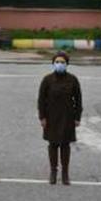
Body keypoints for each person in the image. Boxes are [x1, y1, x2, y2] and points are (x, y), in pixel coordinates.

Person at [38, 52, 83, 185]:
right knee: (52, 144)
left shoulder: (73, 79)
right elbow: (41, 100)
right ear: (53, 63)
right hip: (51, 116)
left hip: (67, 116)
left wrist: (77, 117)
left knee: (65, 144)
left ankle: (65, 173)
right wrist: (42, 117)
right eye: (57, 62)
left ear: (67, 64)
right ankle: (53, 171)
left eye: (62, 62)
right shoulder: (47, 80)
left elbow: (78, 99)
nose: (59, 64)